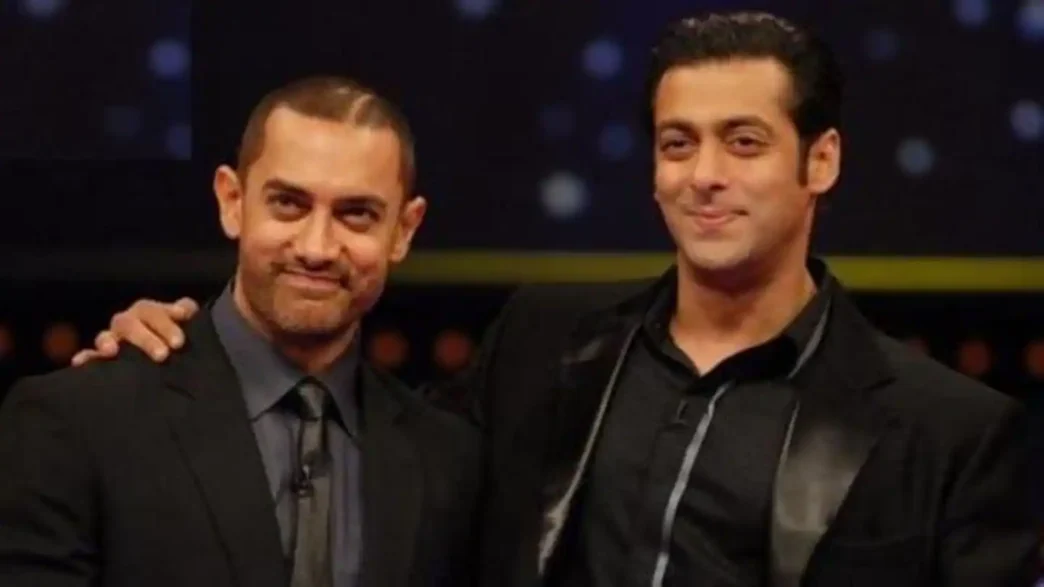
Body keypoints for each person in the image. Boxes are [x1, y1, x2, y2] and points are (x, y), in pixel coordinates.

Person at [68, 11, 1038, 587]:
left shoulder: (948, 432)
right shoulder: (544, 342)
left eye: (743, 142)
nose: (704, 174)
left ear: (819, 160)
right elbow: (362, 441)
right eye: (677, 142)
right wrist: (182, 354)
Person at [0, 76, 481, 587]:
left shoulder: (446, 459)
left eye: (356, 214)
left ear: (404, 230)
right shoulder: (77, 421)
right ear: (232, 201)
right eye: (289, 203)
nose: (316, 248)